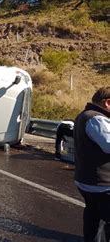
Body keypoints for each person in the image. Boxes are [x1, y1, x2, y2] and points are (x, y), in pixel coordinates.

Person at [73, 86, 110, 242]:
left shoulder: (85, 115)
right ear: (107, 102)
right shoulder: (97, 119)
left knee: (92, 216)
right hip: (102, 184)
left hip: (87, 180)